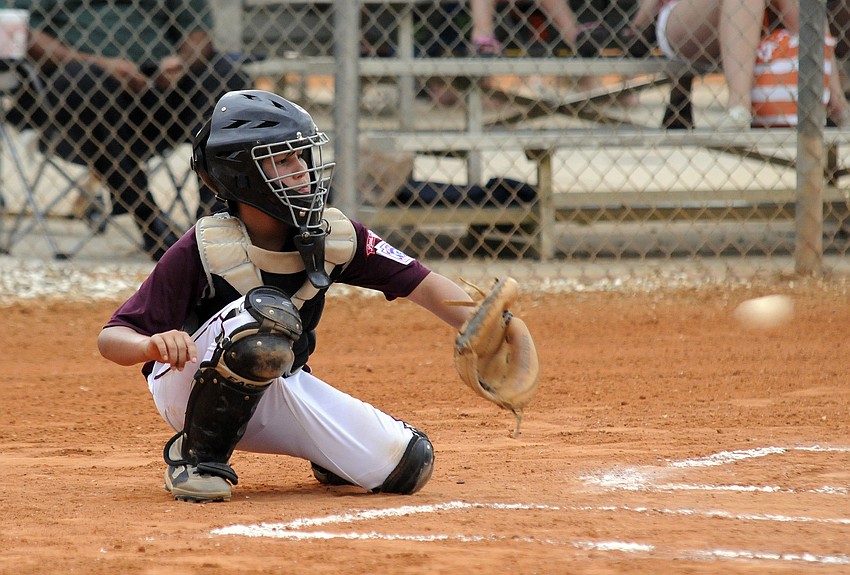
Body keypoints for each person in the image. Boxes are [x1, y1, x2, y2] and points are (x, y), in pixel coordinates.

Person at [96, 89, 480, 503]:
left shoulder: (332, 235)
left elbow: (425, 284)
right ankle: (197, 458)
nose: (302, 170)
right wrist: (150, 345)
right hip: (187, 387)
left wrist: (486, 327)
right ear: (242, 175)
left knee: (407, 464)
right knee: (264, 317)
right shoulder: (205, 247)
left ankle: (326, 453)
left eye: (301, 156)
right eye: (283, 160)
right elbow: (111, 337)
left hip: (277, 381)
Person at [12, 0, 250, 260]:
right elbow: (28, 35)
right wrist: (103, 64)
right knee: (83, 79)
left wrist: (182, 63)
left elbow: (198, 33)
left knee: (226, 76)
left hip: (163, 88)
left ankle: (213, 219)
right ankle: (149, 220)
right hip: (84, 95)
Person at [629, 0, 850, 128]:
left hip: (764, 23)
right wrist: (638, 26)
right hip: (690, 21)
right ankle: (738, 106)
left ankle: (837, 103)